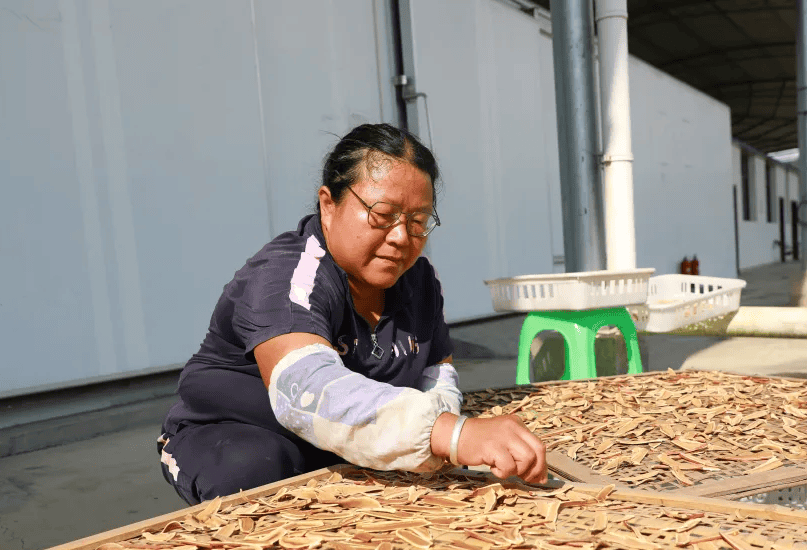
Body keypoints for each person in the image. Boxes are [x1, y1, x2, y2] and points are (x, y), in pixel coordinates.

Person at [157, 123, 546, 504]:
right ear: (329, 205)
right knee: (253, 472)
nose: (400, 237)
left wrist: (442, 425)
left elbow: (436, 374)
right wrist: (452, 435)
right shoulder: (287, 276)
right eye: (382, 214)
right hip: (238, 434)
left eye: (417, 222)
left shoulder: (419, 280)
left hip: (346, 443)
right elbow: (305, 389)